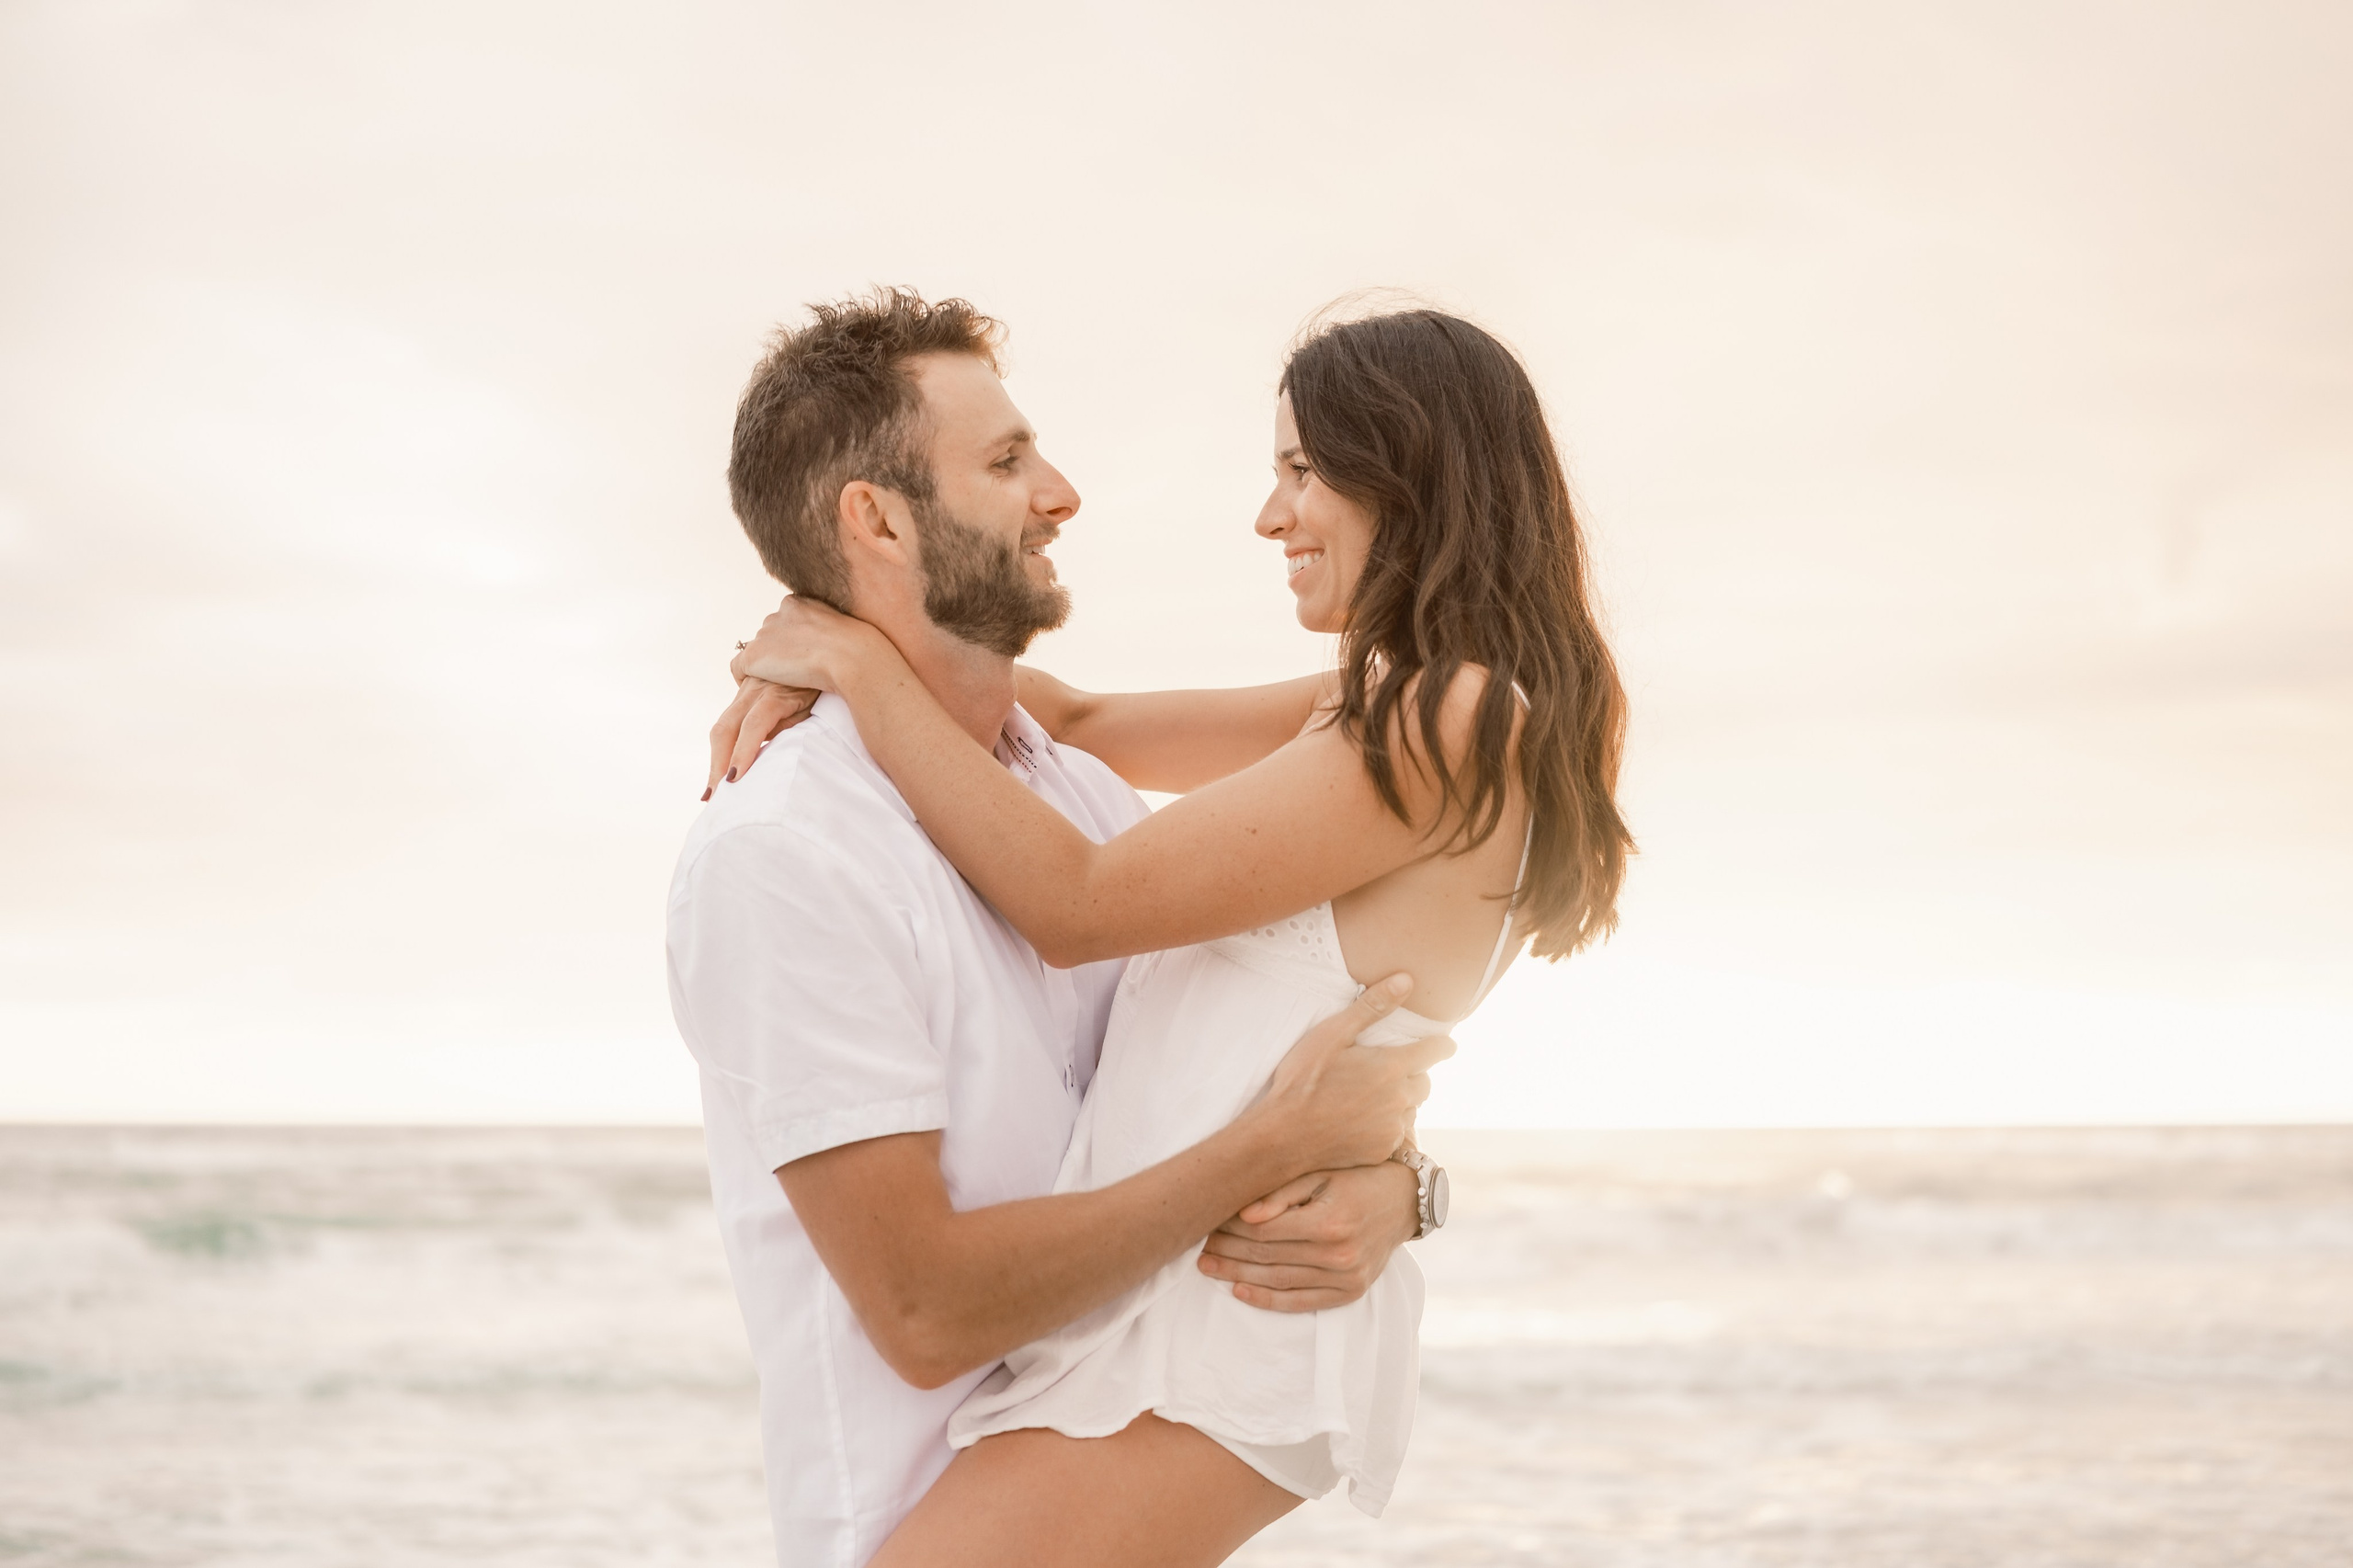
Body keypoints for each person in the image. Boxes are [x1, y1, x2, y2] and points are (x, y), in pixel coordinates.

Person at [717, 301, 1632, 1566]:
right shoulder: (1378, 708)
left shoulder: (1452, 717)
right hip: (1182, 1315)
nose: (1272, 516)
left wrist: (859, 670)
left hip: (1222, 1325)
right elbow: (1075, 712)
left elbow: (1081, 906)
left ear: (1410, 472)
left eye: (1302, 471)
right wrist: (824, 637)